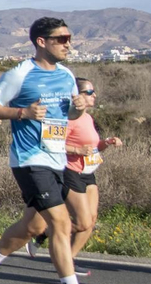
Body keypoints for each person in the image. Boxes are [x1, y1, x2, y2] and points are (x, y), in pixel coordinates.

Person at [0, 17, 112, 284]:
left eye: (69, 38)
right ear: (41, 42)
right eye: (61, 39)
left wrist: (77, 109)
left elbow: (68, 115)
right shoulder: (21, 74)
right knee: (60, 223)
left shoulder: (67, 76)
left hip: (57, 159)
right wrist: (22, 112)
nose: (67, 43)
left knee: (34, 227)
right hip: (30, 160)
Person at [23, 76, 122, 273]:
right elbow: (52, 143)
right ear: (77, 96)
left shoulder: (87, 118)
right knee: (82, 221)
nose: (94, 95)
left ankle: (69, 259)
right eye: (89, 92)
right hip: (70, 171)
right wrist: (77, 151)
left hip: (88, 172)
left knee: (90, 222)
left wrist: (107, 143)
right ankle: (44, 233)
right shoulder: (67, 119)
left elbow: (94, 146)